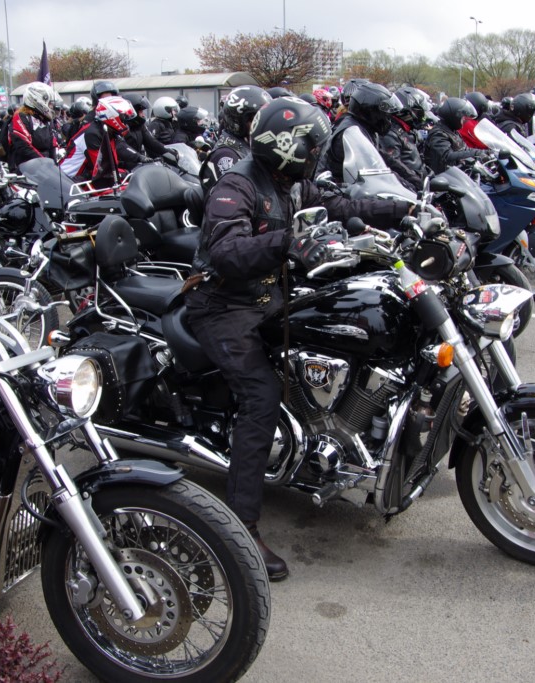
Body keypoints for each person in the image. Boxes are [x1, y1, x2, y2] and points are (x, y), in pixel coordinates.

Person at [183, 98, 413, 580]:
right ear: (287, 147)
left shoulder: (291, 183)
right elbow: (225, 251)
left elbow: (344, 205)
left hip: (266, 296)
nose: (317, 154)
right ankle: (241, 528)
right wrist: (288, 242)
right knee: (261, 394)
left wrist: (406, 209)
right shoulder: (237, 185)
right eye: (312, 146)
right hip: (222, 304)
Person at [200, 84, 271, 191]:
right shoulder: (226, 155)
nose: (262, 124)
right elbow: (232, 195)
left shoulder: (245, 146)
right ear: (239, 121)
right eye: (256, 119)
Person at [380, 86, 430, 191]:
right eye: (419, 113)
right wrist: (416, 181)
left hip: (419, 185)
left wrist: (428, 173)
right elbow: (394, 169)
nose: (422, 117)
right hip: (409, 190)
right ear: (406, 111)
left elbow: (417, 159)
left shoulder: (408, 131)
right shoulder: (390, 134)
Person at [425, 97, 486, 175]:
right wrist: (475, 153)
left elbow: (464, 148)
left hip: (455, 173)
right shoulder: (438, 134)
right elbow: (447, 156)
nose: (464, 121)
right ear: (454, 116)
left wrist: (485, 153)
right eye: (462, 118)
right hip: (442, 177)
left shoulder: (452, 131)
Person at [7, 82, 59, 169]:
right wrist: (44, 163)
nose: (51, 106)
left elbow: (52, 143)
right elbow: (24, 146)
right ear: (37, 100)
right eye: (49, 103)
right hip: (26, 167)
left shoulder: (46, 120)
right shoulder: (21, 117)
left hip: (45, 168)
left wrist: (54, 166)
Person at [118, 93, 174, 171]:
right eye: (140, 111)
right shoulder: (120, 128)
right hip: (123, 170)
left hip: (137, 167)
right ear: (131, 111)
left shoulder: (140, 126)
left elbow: (152, 142)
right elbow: (121, 149)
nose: (143, 115)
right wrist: (140, 158)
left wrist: (170, 151)